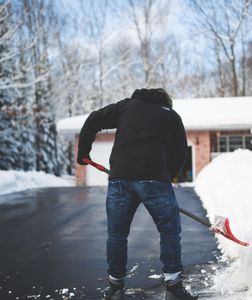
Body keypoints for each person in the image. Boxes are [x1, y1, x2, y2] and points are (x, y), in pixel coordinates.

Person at [77, 88, 197, 299]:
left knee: (117, 234)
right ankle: (173, 287)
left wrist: (83, 151)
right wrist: (167, 176)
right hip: (155, 179)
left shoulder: (126, 106)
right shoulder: (170, 116)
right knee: (169, 232)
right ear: (166, 102)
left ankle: (115, 288)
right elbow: (179, 152)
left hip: (120, 178)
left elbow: (94, 118)